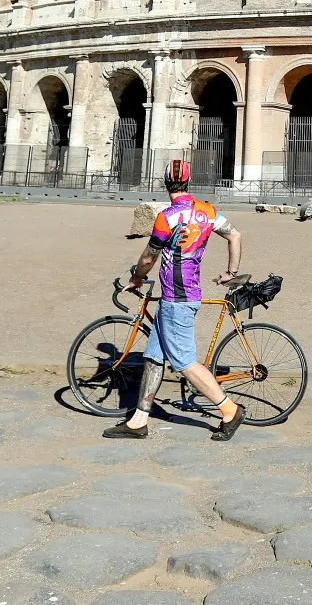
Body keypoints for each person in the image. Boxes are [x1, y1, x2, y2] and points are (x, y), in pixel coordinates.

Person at [104, 158, 247, 442]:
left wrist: (136, 278)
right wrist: (231, 272)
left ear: (166, 182)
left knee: (184, 363)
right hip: (182, 295)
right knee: (154, 358)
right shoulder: (207, 212)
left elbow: (148, 257)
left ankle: (230, 410)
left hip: (177, 300)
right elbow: (235, 236)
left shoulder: (166, 217)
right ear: (188, 181)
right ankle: (138, 420)